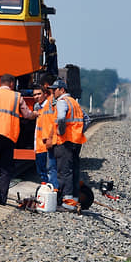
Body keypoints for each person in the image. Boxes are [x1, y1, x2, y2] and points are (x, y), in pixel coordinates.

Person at [0, 73, 38, 205]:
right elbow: (27, 114)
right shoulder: (17, 96)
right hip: (10, 135)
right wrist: (36, 114)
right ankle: (2, 199)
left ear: (1, 83)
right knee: (6, 168)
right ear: (12, 83)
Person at [50, 79, 86, 210]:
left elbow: (60, 118)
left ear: (62, 90)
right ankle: (74, 199)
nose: (52, 92)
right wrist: (79, 131)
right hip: (76, 141)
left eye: (54, 90)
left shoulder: (62, 102)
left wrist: (61, 131)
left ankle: (68, 203)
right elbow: (86, 119)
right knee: (73, 171)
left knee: (64, 171)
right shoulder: (74, 103)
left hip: (65, 142)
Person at [33, 86, 58, 189]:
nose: (36, 96)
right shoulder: (38, 107)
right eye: (34, 95)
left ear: (45, 94)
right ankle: (46, 190)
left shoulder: (50, 105)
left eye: (39, 94)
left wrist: (50, 138)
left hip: (46, 144)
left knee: (50, 170)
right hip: (39, 145)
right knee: (42, 170)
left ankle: (52, 191)